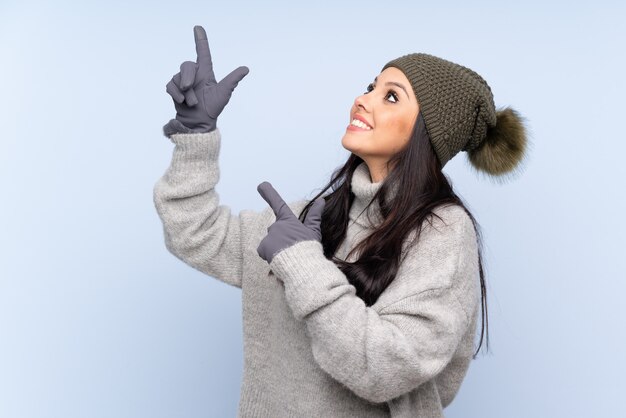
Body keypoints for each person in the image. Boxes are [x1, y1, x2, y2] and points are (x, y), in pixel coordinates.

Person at [153, 25, 529, 418]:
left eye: (391, 96)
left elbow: (385, 368)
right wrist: (195, 136)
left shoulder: (442, 233)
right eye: (371, 86)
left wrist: (302, 264)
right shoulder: (308, 216)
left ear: (428, 133)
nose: (362, 100)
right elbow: (195, 234)